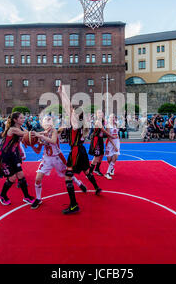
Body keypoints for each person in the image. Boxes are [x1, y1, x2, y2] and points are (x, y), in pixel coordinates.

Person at [58, 85, 102, 215]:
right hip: (81, 150)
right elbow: (69, 108)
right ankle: (97, 188)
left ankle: (73, 205)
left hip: (76, 151)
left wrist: (63, 93)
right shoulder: (82, 124)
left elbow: (68, 107)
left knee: (68, 177)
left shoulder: (76, 123)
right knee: (87, 170)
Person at [30, 116, 87, 210]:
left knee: (68, 175)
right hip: (46, 159)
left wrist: (40, 136)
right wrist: (32, 144)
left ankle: (79, 183)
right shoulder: (41, 135)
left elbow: (52, 140)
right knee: (38, 179)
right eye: (46, 121)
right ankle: (38, 198)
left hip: (57, 158)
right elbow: (37, 151)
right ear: (43, 124)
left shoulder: (54, 131)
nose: (48, 123)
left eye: (49, 121)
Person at [0, 112, 35, 206]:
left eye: (23, 117)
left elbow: (27, 135)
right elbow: (28, 134)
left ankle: (26, 196)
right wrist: (43, 133)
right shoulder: (13, 129)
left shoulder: (20, 127)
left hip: (13, 154)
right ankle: (2, 195)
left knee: (21, 175)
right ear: (15, 120)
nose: (23, 119)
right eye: (21, 118)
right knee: (12, 178)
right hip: (4, 155)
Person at [88, 109, 117, 177]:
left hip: (100, 140)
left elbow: (108, 125)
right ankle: (89, 172)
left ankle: (97, 169)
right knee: (96, 157)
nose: (100, 114)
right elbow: (104, 131)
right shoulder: (98, 122)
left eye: (101, 113)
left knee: (101, 155)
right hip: (96, 140)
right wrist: (111, 136)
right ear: (96, 114)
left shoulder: (103, 121)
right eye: (99, 113)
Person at [104, 114, 120, 180]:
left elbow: (117, 135)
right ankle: (112, 168)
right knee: (109, 159)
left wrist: (118, 143)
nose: (112, 118)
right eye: (111, 117)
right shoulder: (108, 126)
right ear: (109, 118)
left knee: (115, 156)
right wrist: (114, 145)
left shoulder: (116, 125)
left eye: (113, 117)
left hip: (117, 142)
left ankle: (107, 173)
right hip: (110, 143)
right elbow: (109, 137)